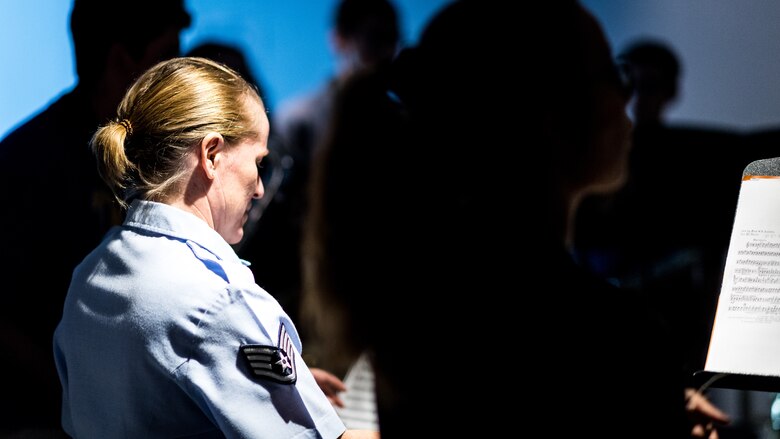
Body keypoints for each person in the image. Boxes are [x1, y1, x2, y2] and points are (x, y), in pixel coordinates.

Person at [301, 1, 730, 437]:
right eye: (614, 75)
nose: (629, 97)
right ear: (551, 116)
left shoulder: (422, 311)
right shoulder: (613, 336)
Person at [52, 56, 377, 438]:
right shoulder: (222, 301)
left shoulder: (91, 272)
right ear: (211, 155)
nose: (259, 188)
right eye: (259, 162)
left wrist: (287, 390)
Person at [0, 0, 191, 434]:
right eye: (168, 58)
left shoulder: (161, 159)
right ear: (124, 60)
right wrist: (75, 393)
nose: (179, 77)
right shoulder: (26, 164)